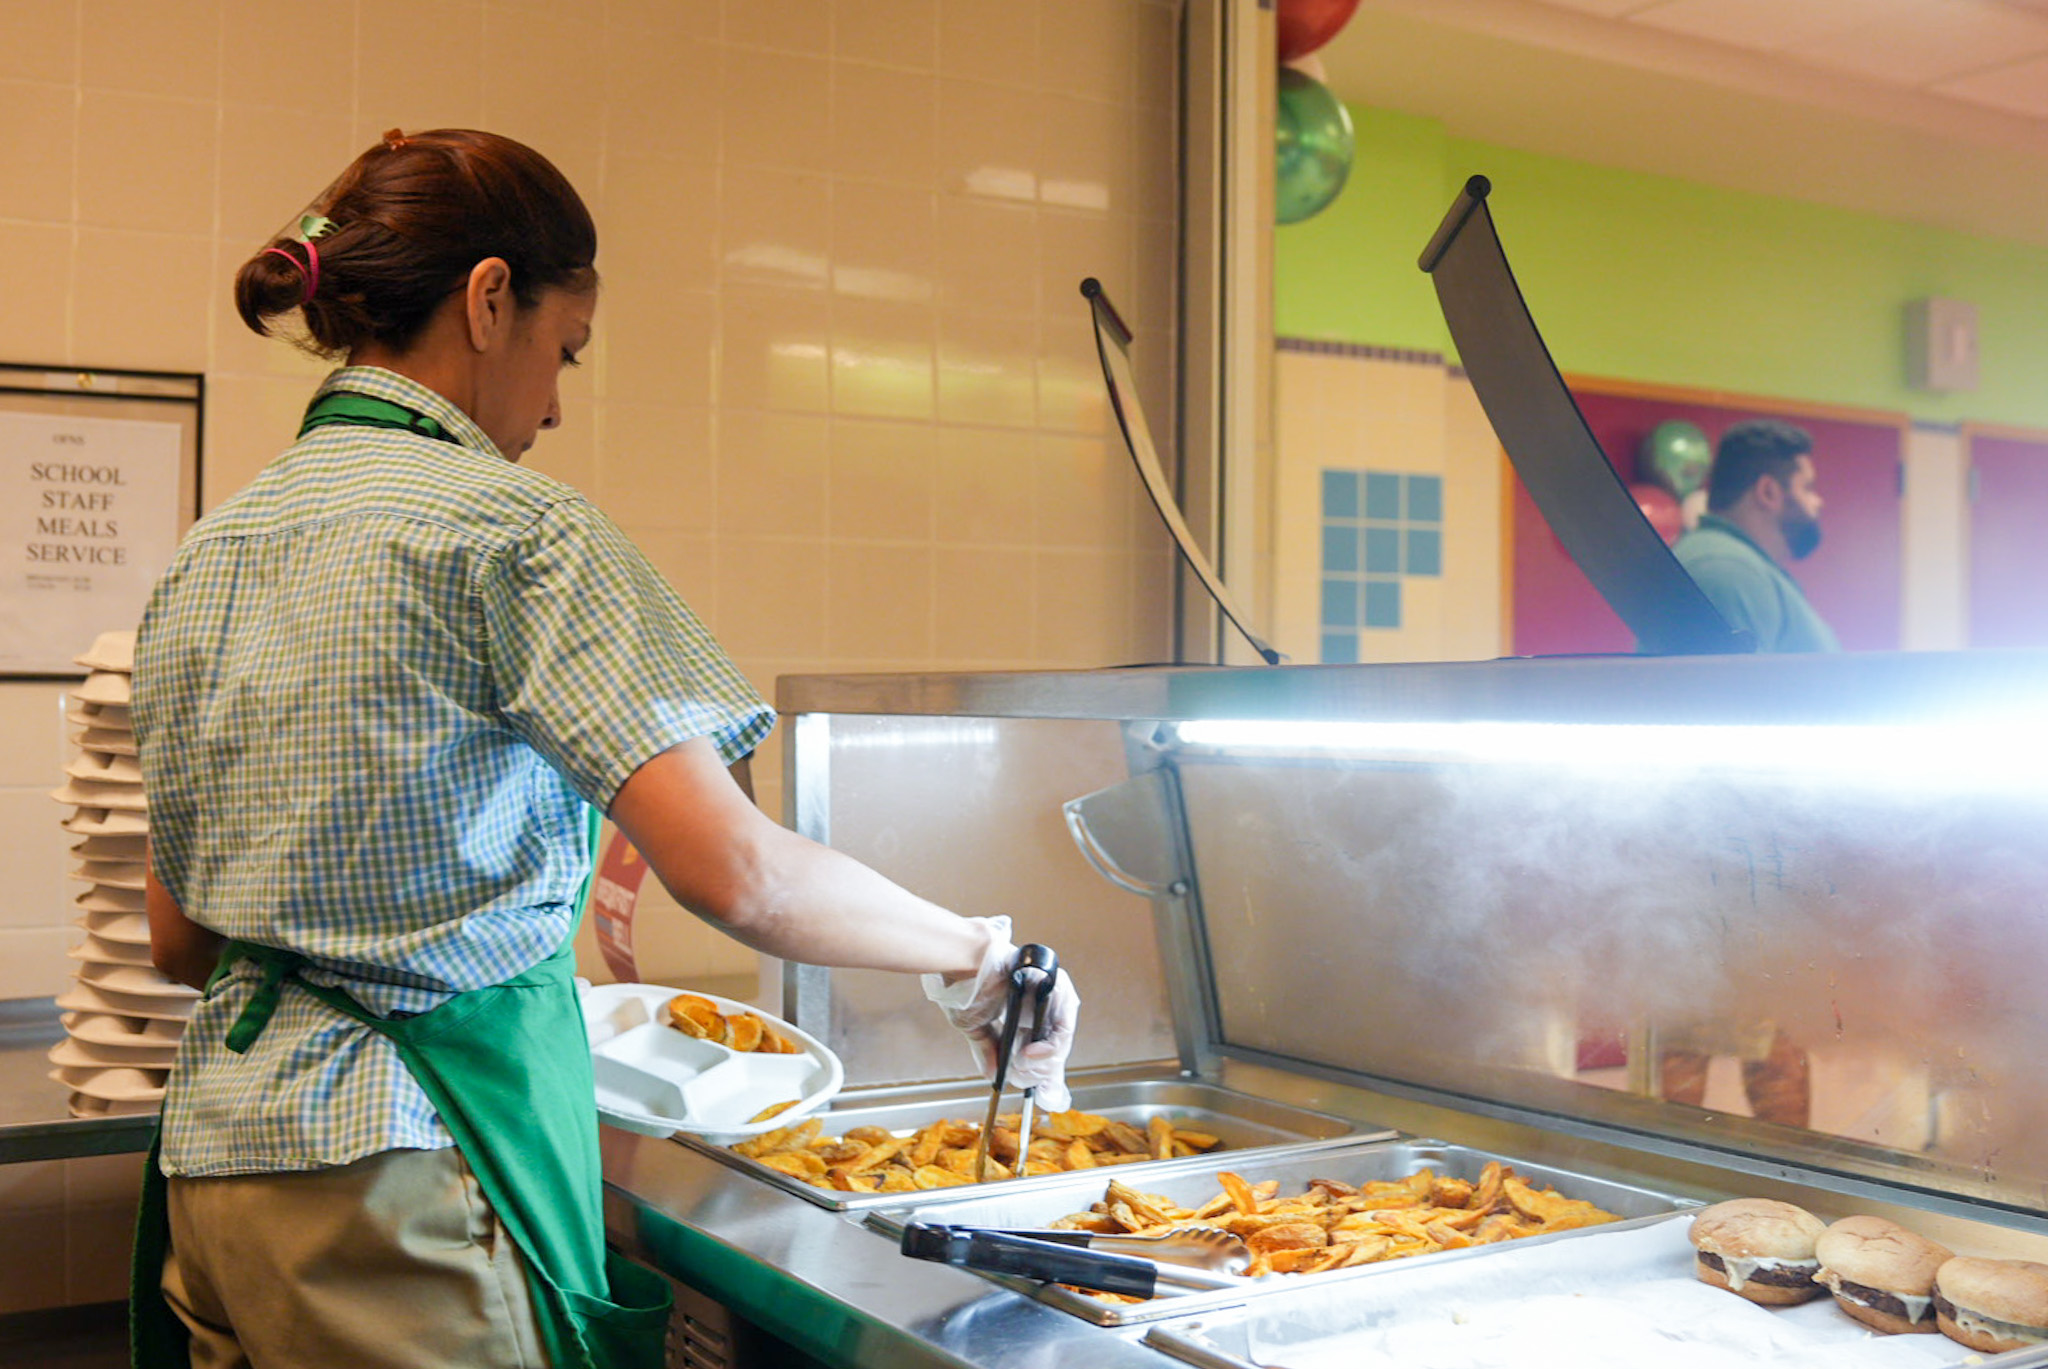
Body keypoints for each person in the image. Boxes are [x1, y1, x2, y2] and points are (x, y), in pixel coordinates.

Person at [131, 128, 1078, 1369]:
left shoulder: (211, 550)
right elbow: (738, 874)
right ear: (487, 298)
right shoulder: (514, 531)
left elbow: (179, 937)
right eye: (562, 349)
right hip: (402, 1177)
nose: (557, 404)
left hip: (217, 1170)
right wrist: (982, 957)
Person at [1671, 418, 1839, 653]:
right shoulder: (1726, 570)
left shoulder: (1736, 565)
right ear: (1768, 492)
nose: (1818, 502)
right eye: (1807, 488)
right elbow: (1731, 689)